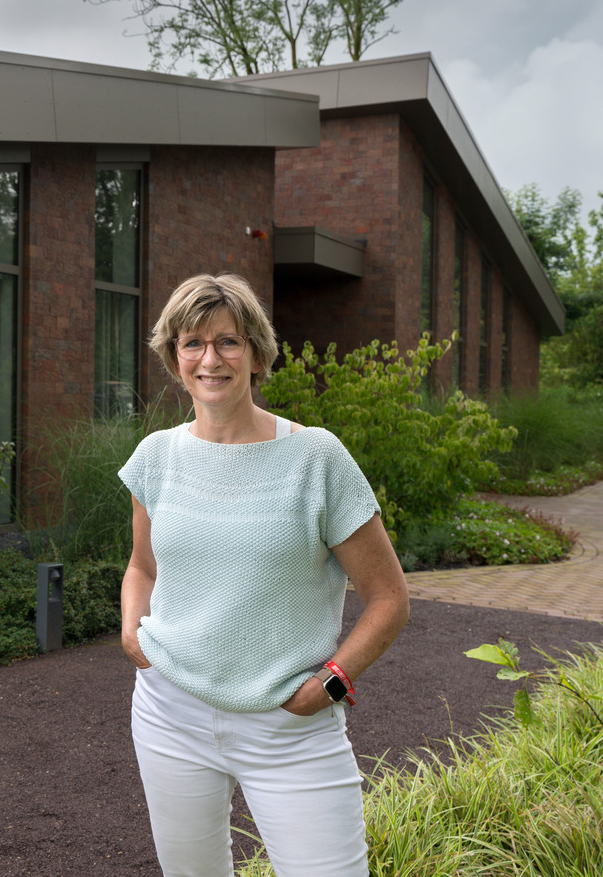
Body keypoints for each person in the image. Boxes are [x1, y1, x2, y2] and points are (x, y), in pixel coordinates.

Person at [119, 273, 409, 876]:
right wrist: (131, 631)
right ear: (174, 357)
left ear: (256, 353)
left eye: (228, 341)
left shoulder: (316, 458)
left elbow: (388, 599)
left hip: (290, 727)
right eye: (192, 342)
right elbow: (143, 566)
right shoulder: (157, 457)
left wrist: (329, 685)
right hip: (169, 712)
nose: (210, 358)